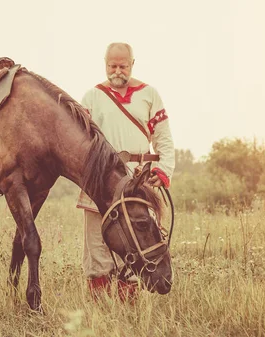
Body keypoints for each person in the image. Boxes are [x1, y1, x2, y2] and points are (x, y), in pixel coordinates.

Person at [77, 42, 175, 301]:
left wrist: (163, 171)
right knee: (96, 245)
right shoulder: (92, 97)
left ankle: (127, 308)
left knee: (136, 240)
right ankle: (99, 309)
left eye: (123, 65)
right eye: (112, 65)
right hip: (98, 182)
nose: (117, 70)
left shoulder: (149, 94)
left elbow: (163, 138)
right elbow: (78, 139)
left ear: (132, 64)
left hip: (136, 182)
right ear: (105, 64)